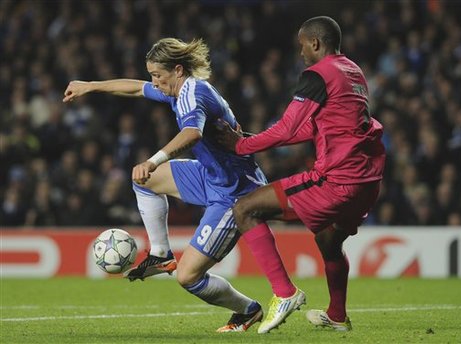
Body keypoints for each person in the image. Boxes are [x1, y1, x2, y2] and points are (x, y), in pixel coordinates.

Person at [63, 37, 297, 333]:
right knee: (146, 182)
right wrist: (90, 85)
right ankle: (161, 254)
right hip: (210, 174)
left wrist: (154, 159)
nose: (154, 82)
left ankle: (246, 310)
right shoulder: (178, 89)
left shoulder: (193, 93)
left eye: (157, 75)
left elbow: (192, 134)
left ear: (177, 70)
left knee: (188, 277)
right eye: (152, 75)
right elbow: (135, 87)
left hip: (234, 192)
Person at [217, 16, 385, 332]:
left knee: (245, 209)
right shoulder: (352, 71)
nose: (301, 53)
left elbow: (288, 127)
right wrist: (251, 139)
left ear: (315, 43)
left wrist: (241, 146)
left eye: (302, 45)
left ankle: (285, 293)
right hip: (367, 182)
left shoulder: (317, 74)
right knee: (329, 242)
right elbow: (313, 128)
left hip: (337, 180)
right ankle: (337, 315)